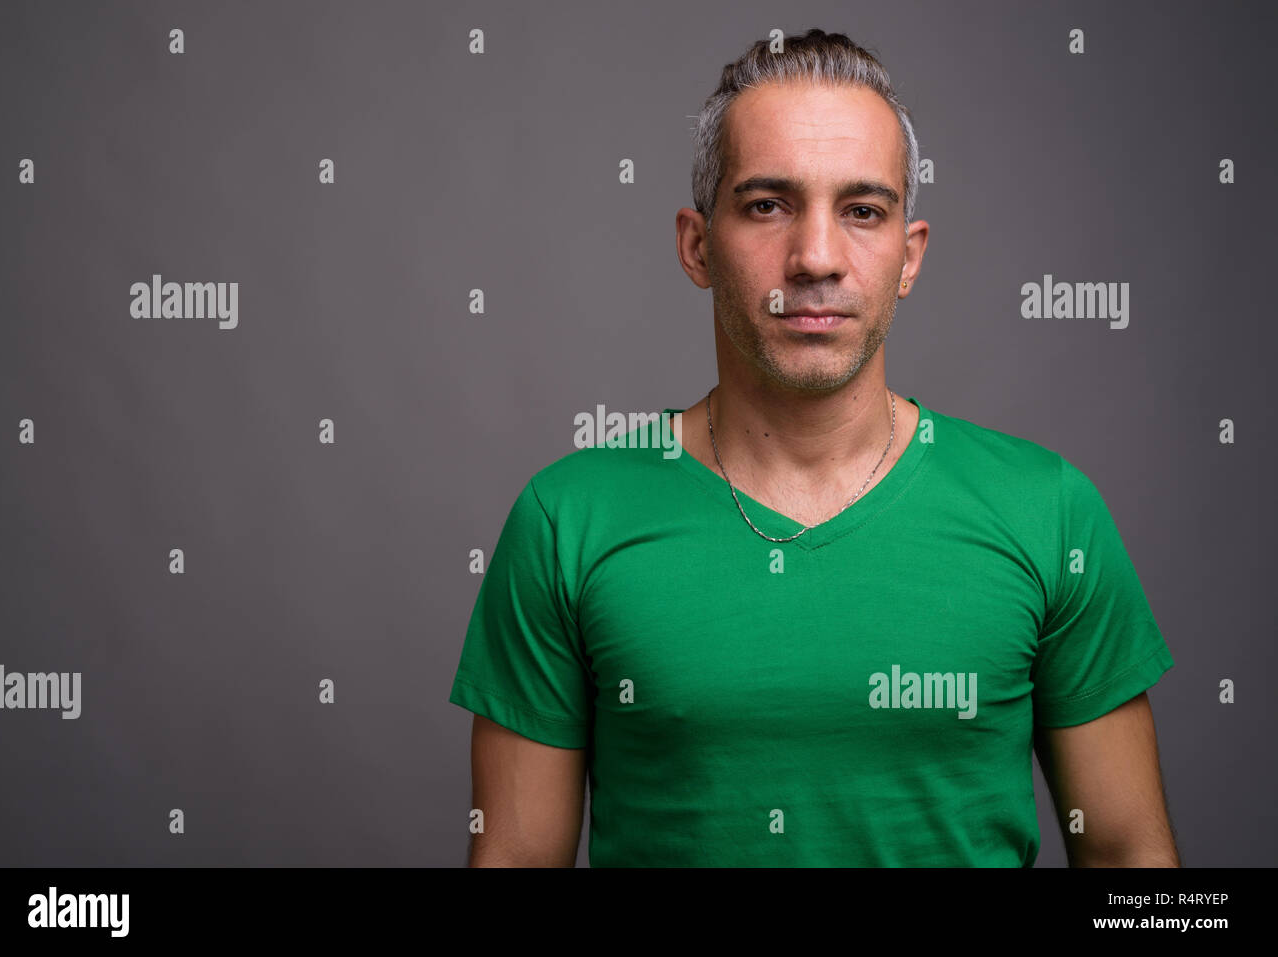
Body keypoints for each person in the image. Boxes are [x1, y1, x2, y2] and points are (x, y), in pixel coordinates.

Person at [448, 28, 1178, 867]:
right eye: (767, 204)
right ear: (696, 246)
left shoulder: (1049, 510)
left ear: (909, 256)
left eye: (862, 211)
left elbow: (1133, 865)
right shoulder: (566, 520)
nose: (817, 258)